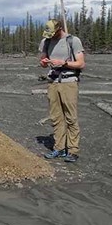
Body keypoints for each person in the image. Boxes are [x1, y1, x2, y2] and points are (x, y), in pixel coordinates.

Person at [39, 19, 86, 163]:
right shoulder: (45, 42)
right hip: (53, 82)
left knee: (71, 117)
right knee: (56, 118)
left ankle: (72, 150)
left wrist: (64, 63)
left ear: (59, 29)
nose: (50, 36)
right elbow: (42, 62)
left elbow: (81, 64)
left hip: (69, 83)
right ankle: (58, 148)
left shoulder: (73, 41)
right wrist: (44, 62)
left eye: (52, 33)